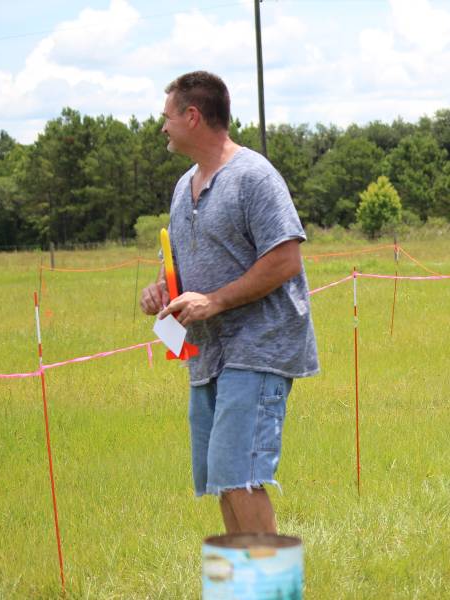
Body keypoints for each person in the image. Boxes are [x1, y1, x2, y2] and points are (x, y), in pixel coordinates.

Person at [139, 71, 319, 535]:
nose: (162, 127)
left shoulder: (254, 176)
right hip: (207, 356)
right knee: (224, 482)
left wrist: (215, 301)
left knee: (241, 477)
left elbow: (286, 260)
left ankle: (270, 578)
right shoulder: (183, 186)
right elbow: (178, 264)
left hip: (258, 348)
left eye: (166, 117)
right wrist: (161, 290)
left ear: (192, 116)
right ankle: (240, 576)